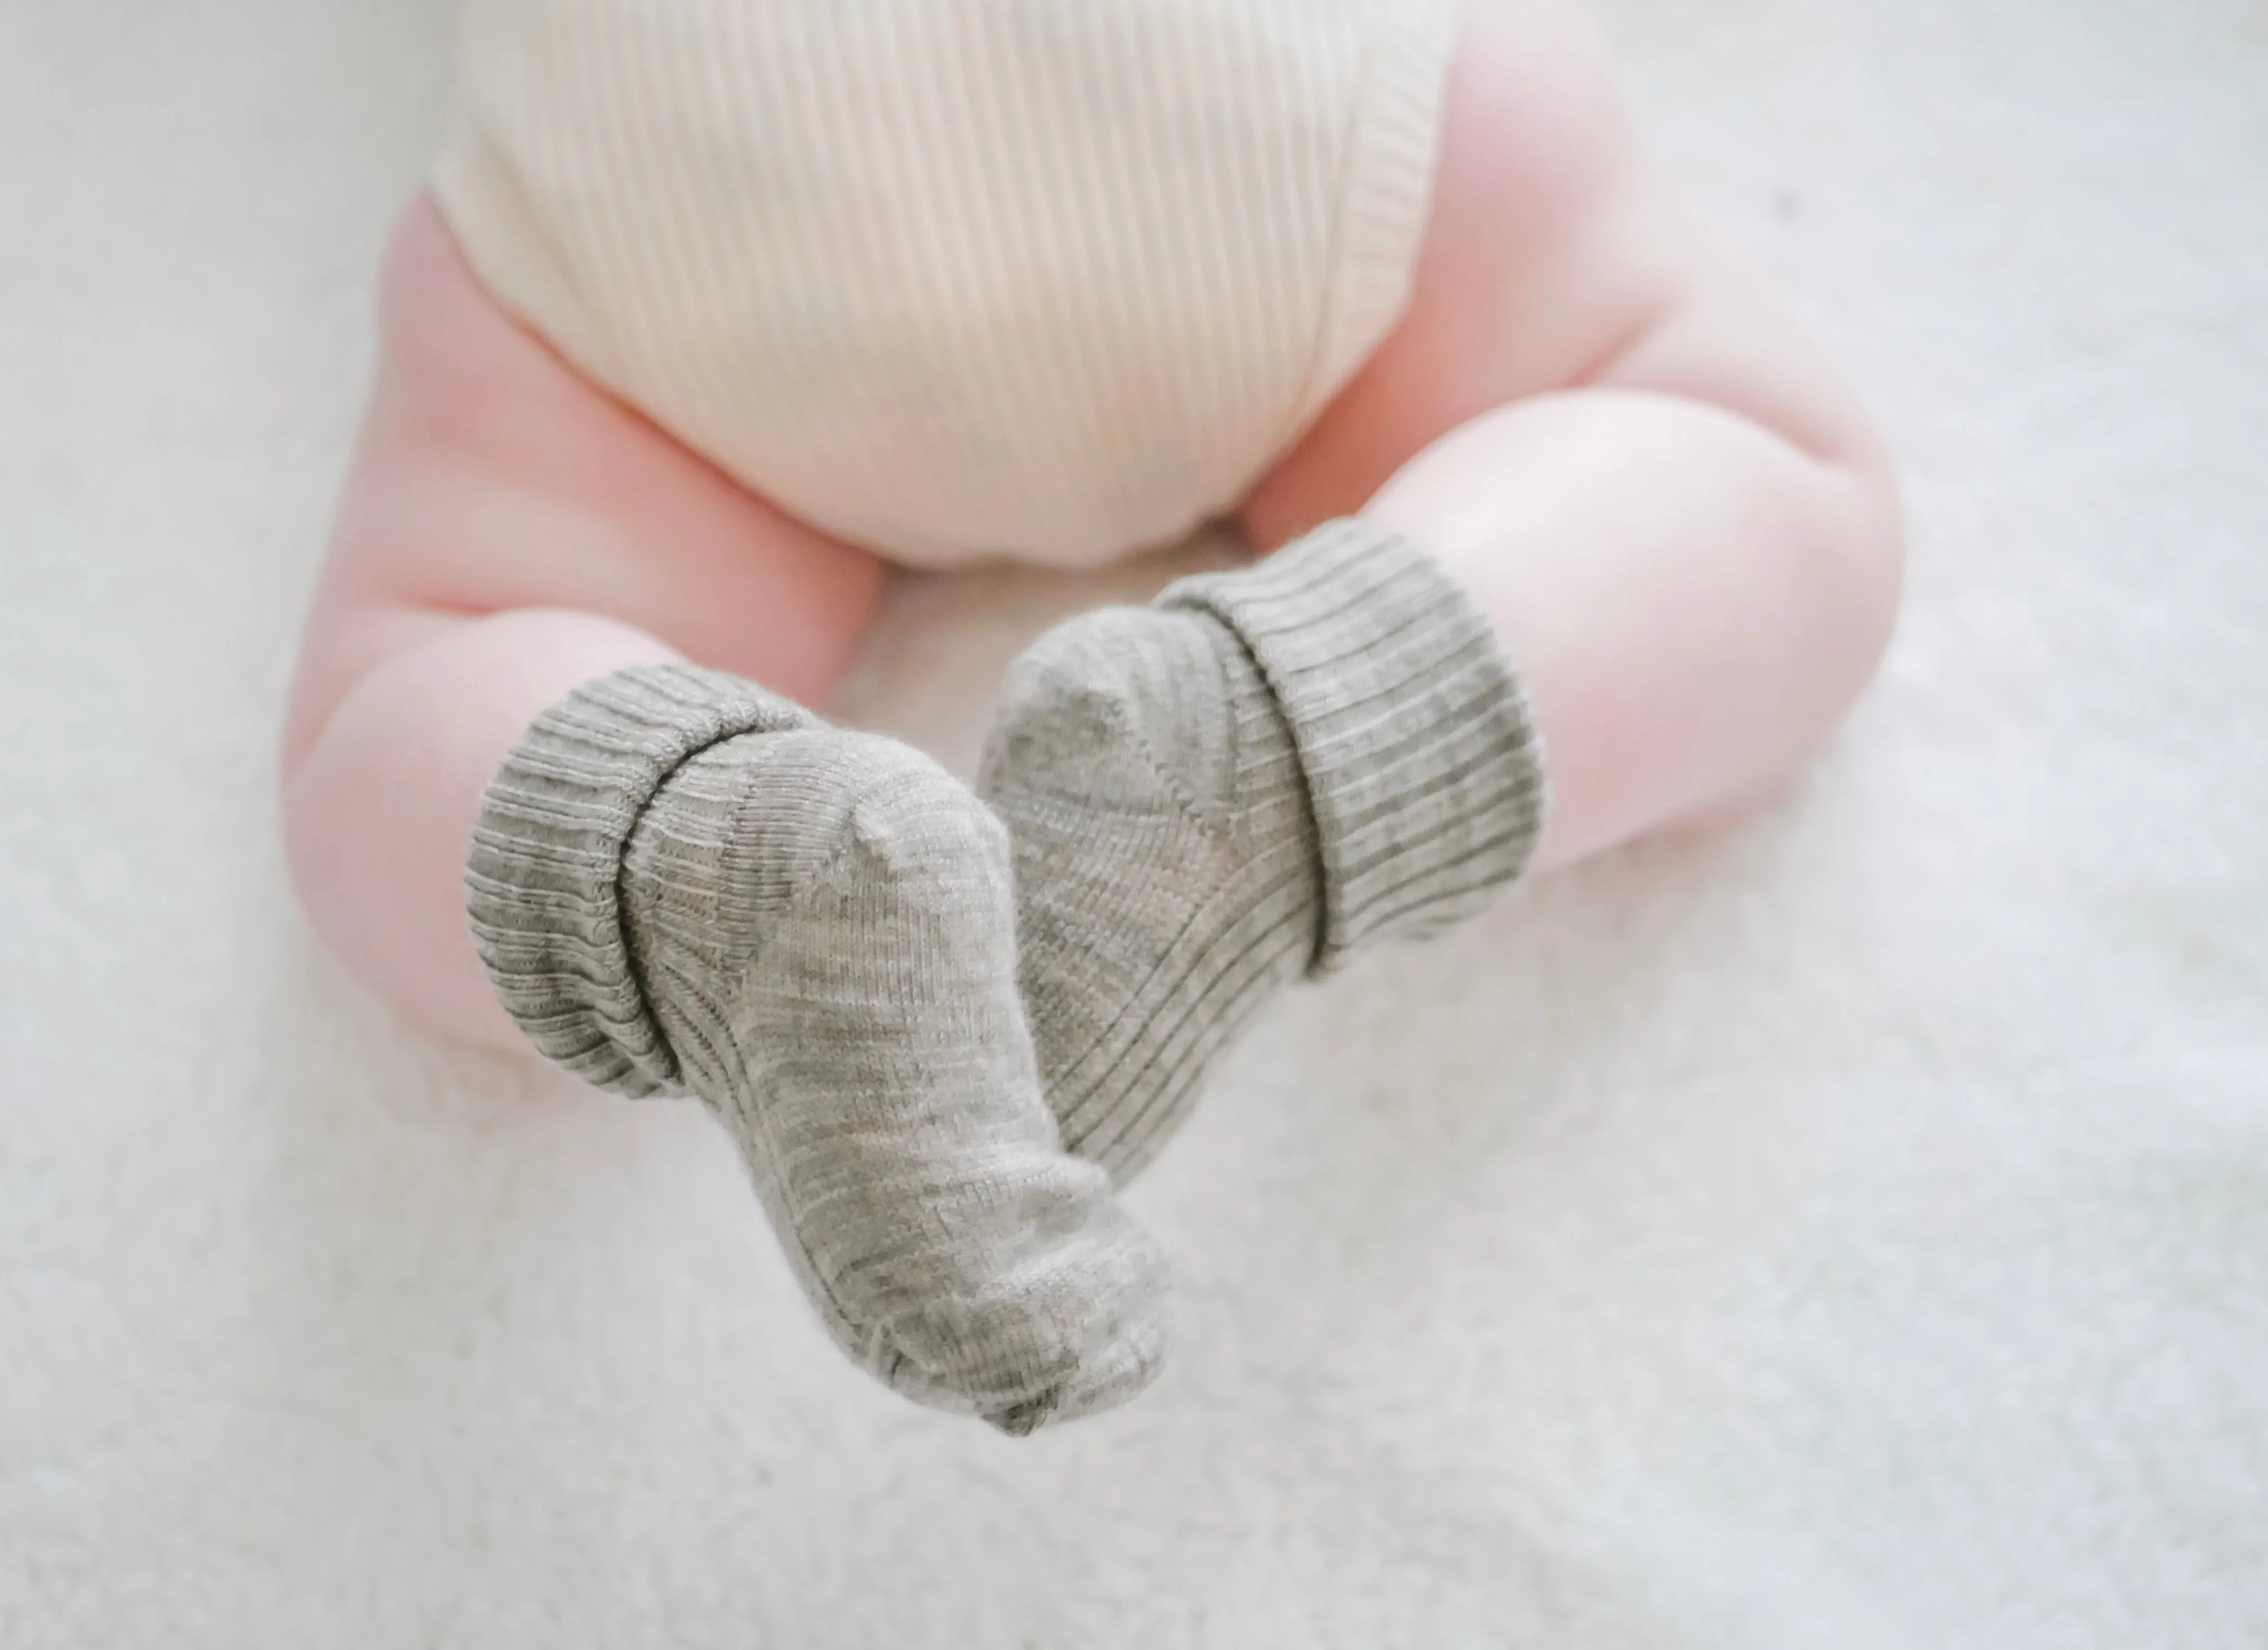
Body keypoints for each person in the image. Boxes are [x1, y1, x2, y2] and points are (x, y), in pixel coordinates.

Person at [279, 0, 1904, 1434]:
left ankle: (704, 864)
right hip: (1279, 109)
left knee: (437, 664)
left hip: (674, 161)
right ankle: (1285, 740)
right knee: (1747, 468)